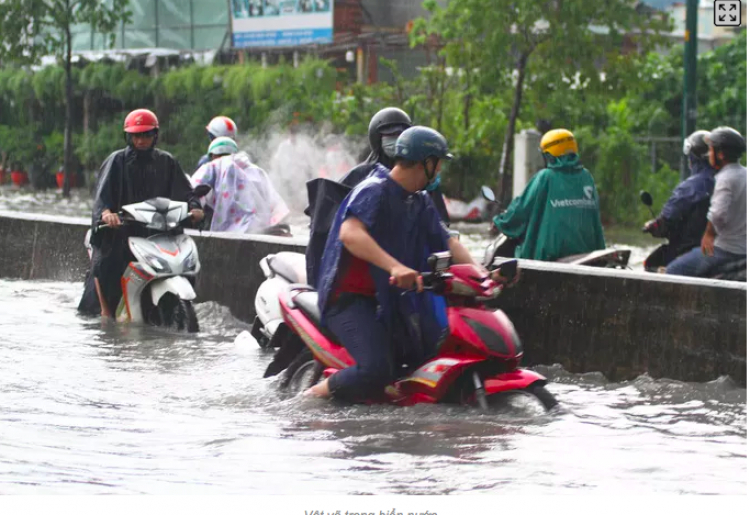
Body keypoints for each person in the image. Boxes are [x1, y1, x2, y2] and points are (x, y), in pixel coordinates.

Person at [305, 126, 514, 401]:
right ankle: (311, 399)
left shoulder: (419, 201)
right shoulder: (373, 190)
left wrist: (482, 274)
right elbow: (350, 233)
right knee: (377, 369)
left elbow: (448, 243)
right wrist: (395, 266)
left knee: (426, 356)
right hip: (349, 302)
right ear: (425, 162)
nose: (439, 171)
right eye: (438, 163)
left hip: (391, 301)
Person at [77, 109, 204, 318]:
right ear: (129, 136)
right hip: (121, 232)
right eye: (137, 135)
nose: (141, 140)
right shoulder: (116, 161)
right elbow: (102, 197)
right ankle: (106, 313)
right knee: (104, 262)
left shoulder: (168, 161)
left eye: (146, 135)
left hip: (158, 232)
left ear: (155, 135)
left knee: (187, 263)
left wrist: (195, 207)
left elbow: (186, 191)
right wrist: (107, 213)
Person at [493, 128, 605, 261]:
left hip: (551, 257)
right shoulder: (586, 177)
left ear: (548, 155)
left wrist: (500, 222)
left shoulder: (545, 177)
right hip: (588, 255)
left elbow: (520, 210)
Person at [338, 107, 450, 225]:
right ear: (377, 138)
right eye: (391, 135)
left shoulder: (423, 176)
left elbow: (440, 223)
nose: (397, 140)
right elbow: (347, 228)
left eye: (401, 135)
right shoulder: (365, 181)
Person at [666, 127, 746, 277]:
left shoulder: (725, 178)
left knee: (673, 271)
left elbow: (718, 214)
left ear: (720, 155)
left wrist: (709, 234)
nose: (709, 154)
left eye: (711, 151)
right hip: (744, 249)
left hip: (725, 250)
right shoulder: (745, 174)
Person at [643, 130, 716, 266]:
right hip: (723, 251)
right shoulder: (726, 181)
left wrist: (653, 226)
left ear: (693, 157)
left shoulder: (690, 187)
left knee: (654, 265)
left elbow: (667, 220)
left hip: (688, 251)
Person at [191, 136, 289, 234]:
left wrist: (194, 207)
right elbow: (275, 202)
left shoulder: (212, 166)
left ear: (213, 155)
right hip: (261, 228)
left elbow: (192, 189)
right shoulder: (256, 170)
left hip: (231, 231)